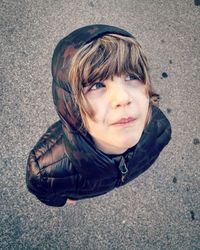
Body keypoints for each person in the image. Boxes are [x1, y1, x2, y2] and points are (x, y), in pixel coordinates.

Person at [26, 24, 171, 207]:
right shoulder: (45, 171)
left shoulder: (160, 129)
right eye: (96, 85)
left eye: (132, 76)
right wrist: (61, 199)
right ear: (71, 106)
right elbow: (44, 192)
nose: (123, 98)